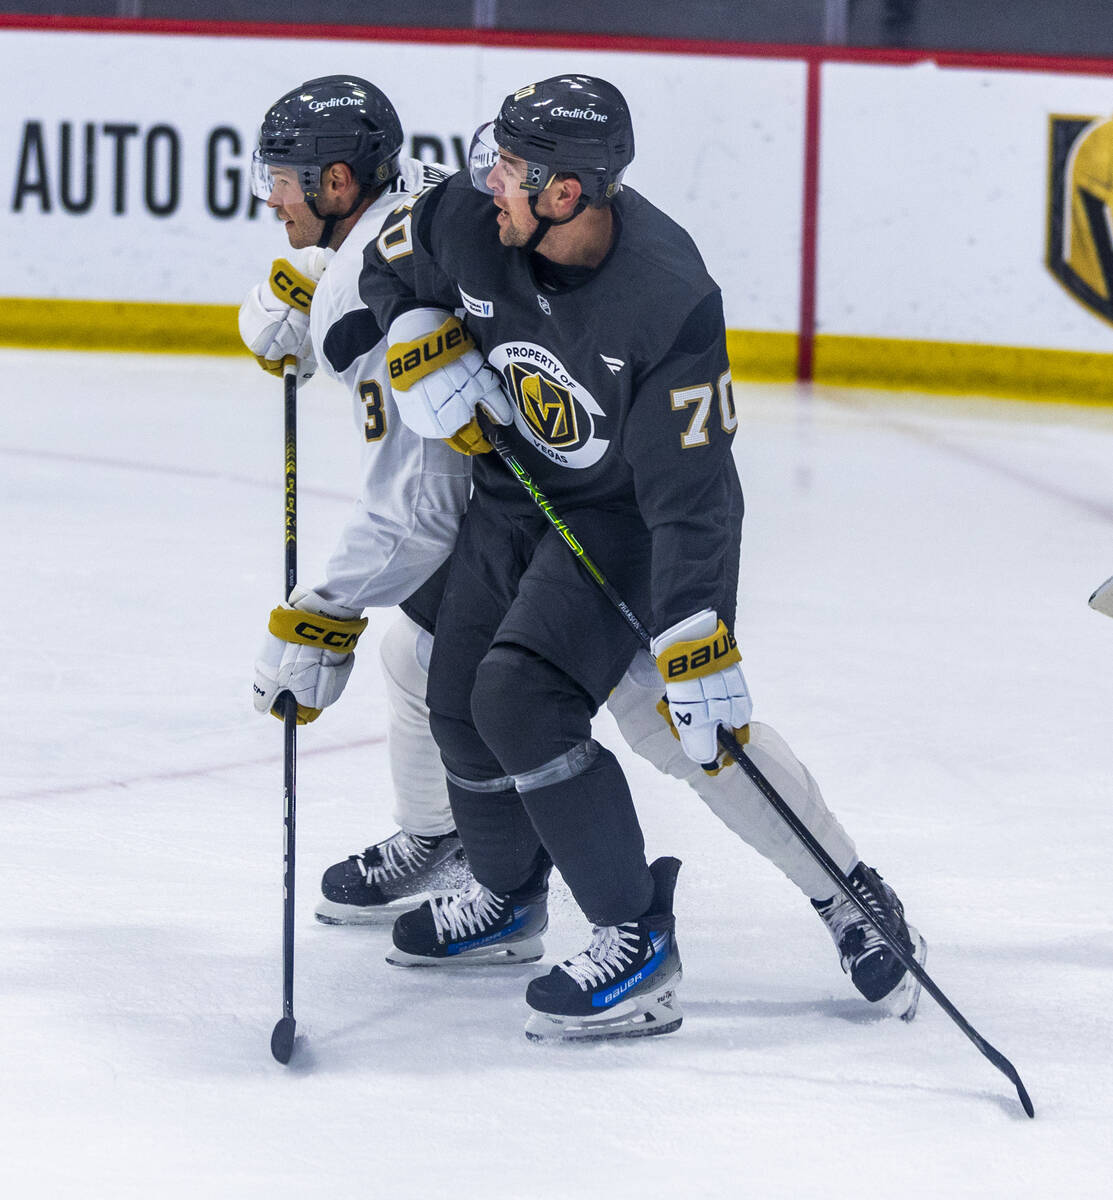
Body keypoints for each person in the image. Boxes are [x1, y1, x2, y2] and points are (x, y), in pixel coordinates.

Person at [357, 74, 927, 1041]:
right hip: (512, 501)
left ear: (566, 192)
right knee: (454, 689)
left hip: (617, 523)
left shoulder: (666, 297)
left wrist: (701, 630)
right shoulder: (464, 219)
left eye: (509, 167)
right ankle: (506, 899)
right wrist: (409, 325)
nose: (485, 179)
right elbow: (384, 265)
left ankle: (821, 901)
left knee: (651, 722)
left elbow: (691, 496)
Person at [239, 76, 474, 922]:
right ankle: (446, 837)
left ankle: (509, 884)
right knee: (416, 656)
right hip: (566, 460)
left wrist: (321, 614)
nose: (270, 198)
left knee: (620, 711)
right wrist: (315, 265)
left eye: (282, 178)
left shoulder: (363, 303)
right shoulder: (420, 186)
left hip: (545, 505)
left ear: (338, 184)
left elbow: (421, 506)